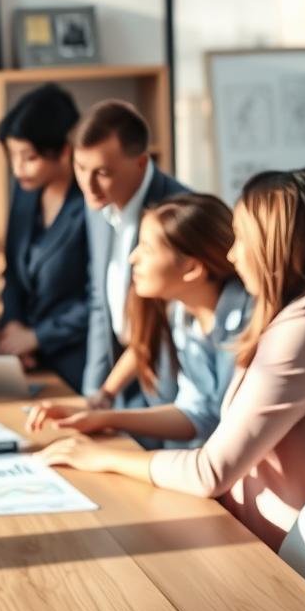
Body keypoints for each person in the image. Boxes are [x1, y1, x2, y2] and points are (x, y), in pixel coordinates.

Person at [41, 169, 305, 551]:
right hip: (280, 540)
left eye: (242, 239)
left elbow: (209, 471)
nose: (232, 254)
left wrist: (100, 457)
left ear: (274, 246)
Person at [27, 194, 251, 448]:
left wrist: (104, 417)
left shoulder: (252, 321)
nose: (133, 257)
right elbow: (197, 415)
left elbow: (211, 422)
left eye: (147, 248)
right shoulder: (184, 315)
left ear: (192, 269)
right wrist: (101, 416)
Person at [73, 99, 190, 408]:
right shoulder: (96, 204)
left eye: (102, 172)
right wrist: (94, 392)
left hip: (172, 386)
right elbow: (100, 301)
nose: (88, 185)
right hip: (118, 382)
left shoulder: (181, 212)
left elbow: (172, 321)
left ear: (141, 162)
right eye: (81, 167)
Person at [0, 83, 89, 391]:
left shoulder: (90, 204)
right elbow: (13, 274)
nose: (17, 168)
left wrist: (37, 337)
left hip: (79, 362)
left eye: (29, 157)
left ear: (64, 151)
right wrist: (13, 328)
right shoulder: (24, 195)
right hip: (29, 361)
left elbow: (98, 298)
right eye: (12, 156)